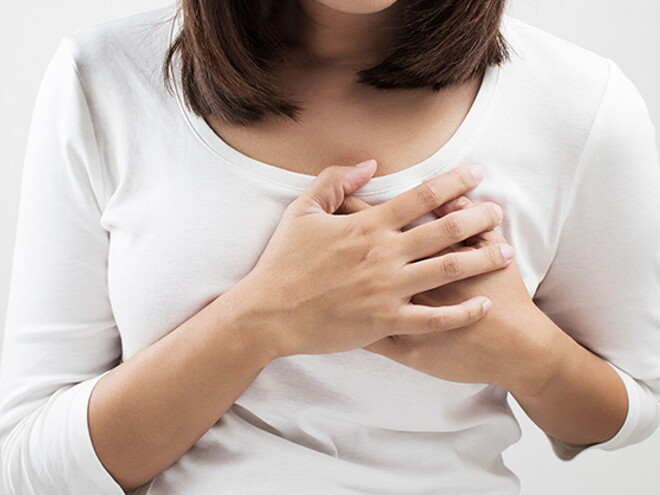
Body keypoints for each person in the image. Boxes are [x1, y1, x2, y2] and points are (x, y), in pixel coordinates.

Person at [1, 0, 659, 493]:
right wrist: (263, 319)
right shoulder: (105, 78)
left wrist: (528, 352)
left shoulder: (579, 103)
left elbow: (632, 409)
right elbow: (28, 462)